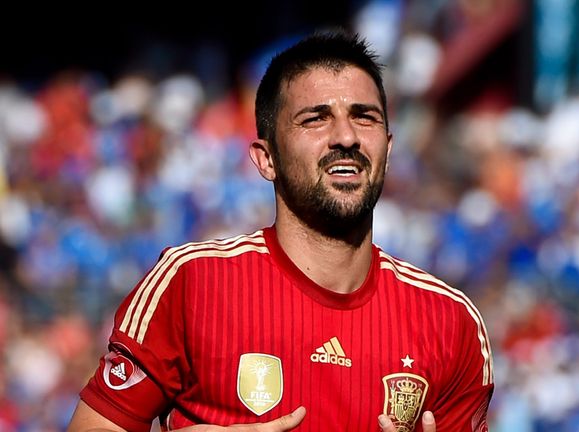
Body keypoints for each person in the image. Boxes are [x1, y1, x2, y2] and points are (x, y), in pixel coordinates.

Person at [67, 31, 493, 432]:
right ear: (265, 158)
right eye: (315, 119)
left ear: (389, 147)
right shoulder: (191, 282)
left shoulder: (450, 323)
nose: (345, 136)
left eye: (364, 117)